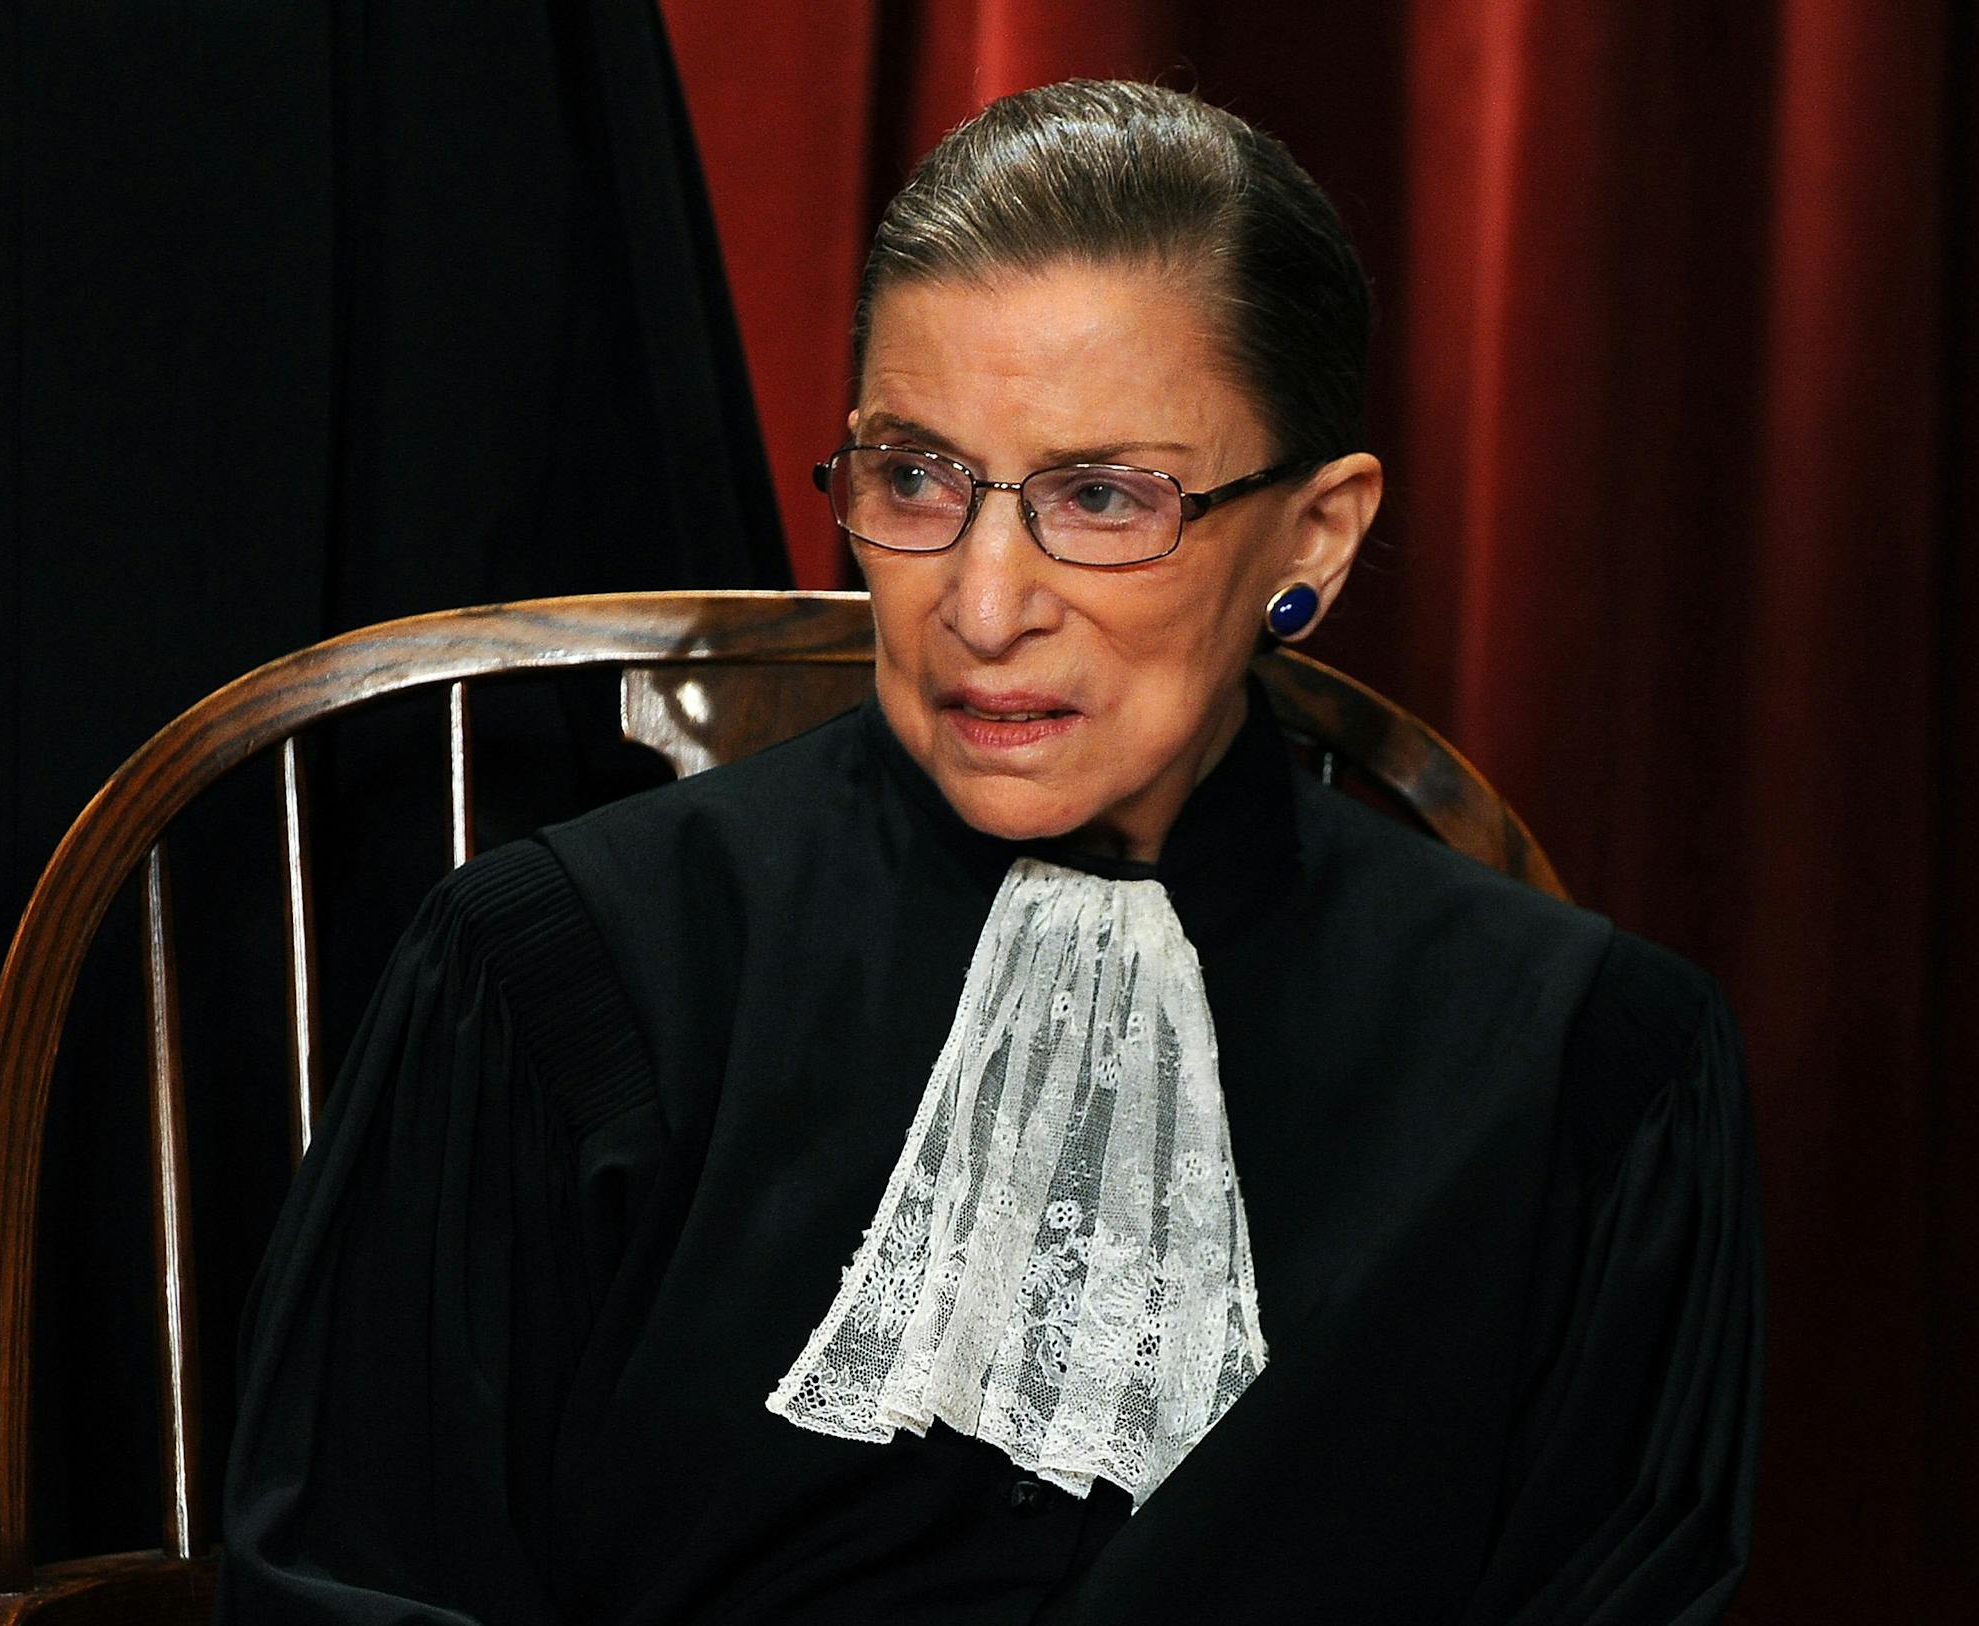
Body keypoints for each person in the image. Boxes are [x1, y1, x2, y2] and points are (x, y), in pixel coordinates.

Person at [216, 80, 1762, 1624]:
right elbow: (349, 1587)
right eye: (914, 478)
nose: (983, 600)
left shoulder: (1590, 1075)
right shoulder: (558, 977)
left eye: (1101, 496)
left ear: (1317, 536)